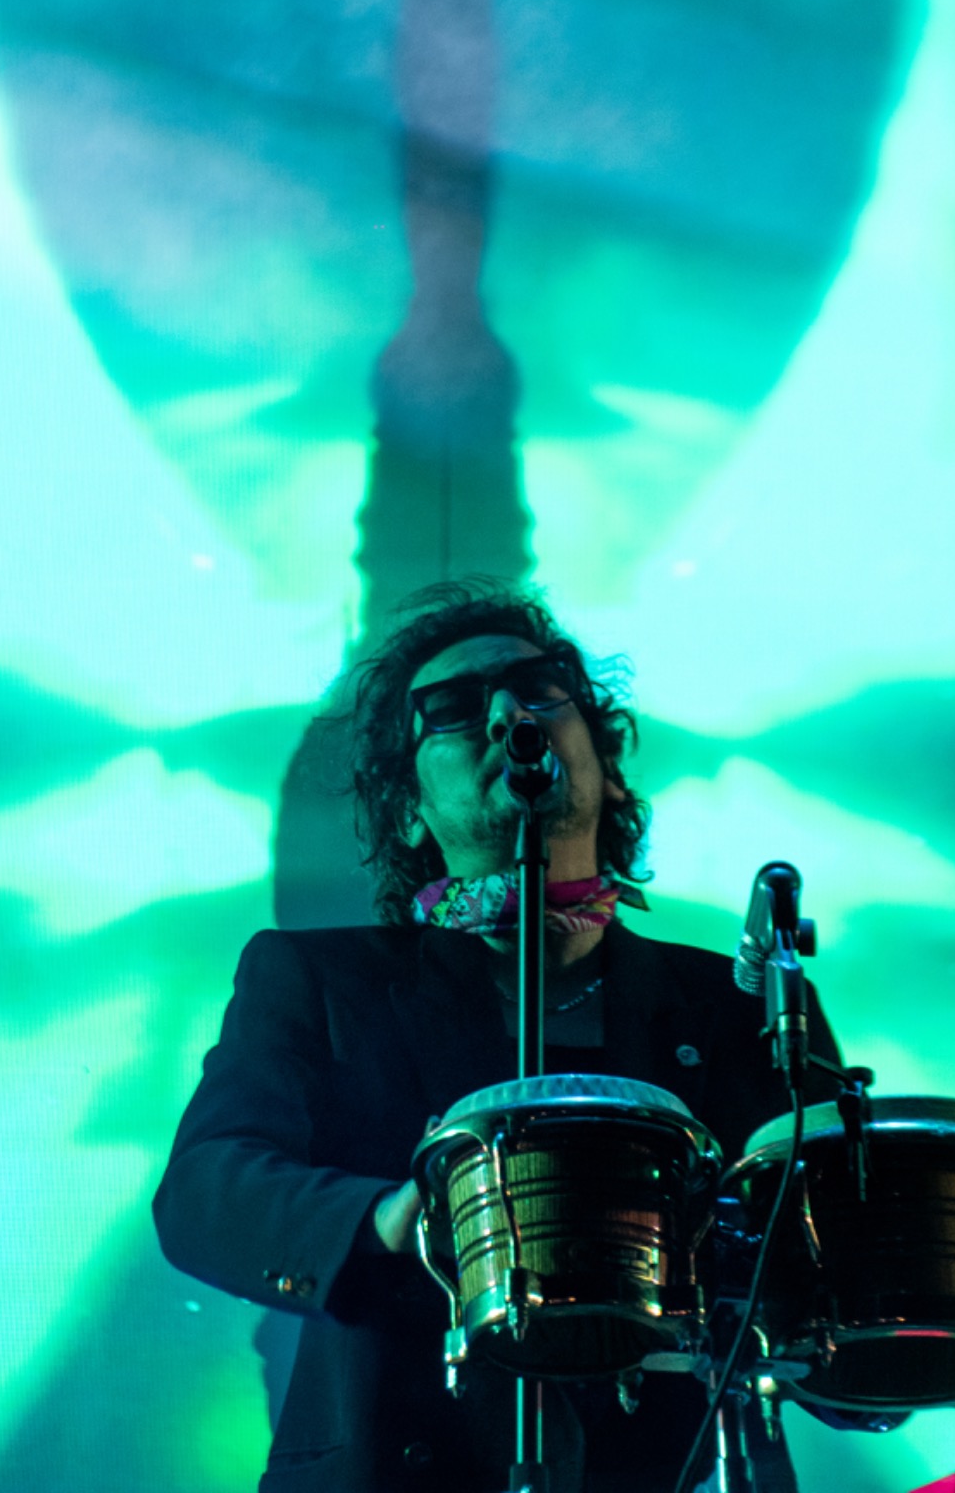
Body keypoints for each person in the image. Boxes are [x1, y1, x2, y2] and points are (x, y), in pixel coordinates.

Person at [153, 580, 843, 1492]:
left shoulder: (737, 1001)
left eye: (540, 688)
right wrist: (393, 1216)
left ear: (605, 761)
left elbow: (841, 1295)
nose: (507, 715)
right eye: (452, 708)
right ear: (408, 806)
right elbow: (207, 1190)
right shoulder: (318, 979)